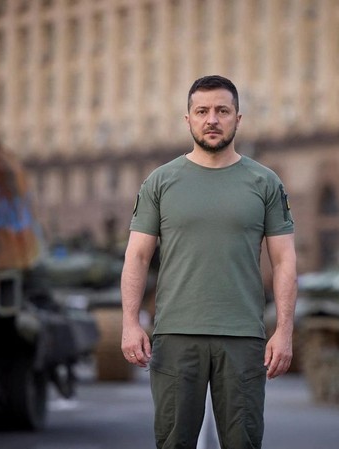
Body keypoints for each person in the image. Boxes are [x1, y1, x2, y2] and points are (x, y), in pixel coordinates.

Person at [121, 74, 297, 449]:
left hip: (243, 338)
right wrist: (129, 323)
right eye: (202, 111)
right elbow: (137, 256)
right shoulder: (160, 182)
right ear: (188, 119)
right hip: (175, 336)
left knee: (243, 443)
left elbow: (284, 262)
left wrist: (283, 331)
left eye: (222, 111)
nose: (212, 119)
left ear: (238, 118)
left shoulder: (265, 183)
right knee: (173, 442)